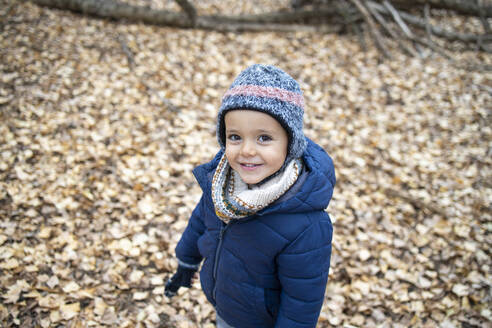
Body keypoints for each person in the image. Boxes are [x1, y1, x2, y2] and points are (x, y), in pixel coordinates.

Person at [165, 64, 336, 328]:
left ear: (290, 143)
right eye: (235, 136)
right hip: (226, 305)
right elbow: (200, 221)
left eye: (264, 138)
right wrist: (186, 262)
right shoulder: (221, 186)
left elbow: (302, 301)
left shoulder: (305, 225)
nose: (246, 150)